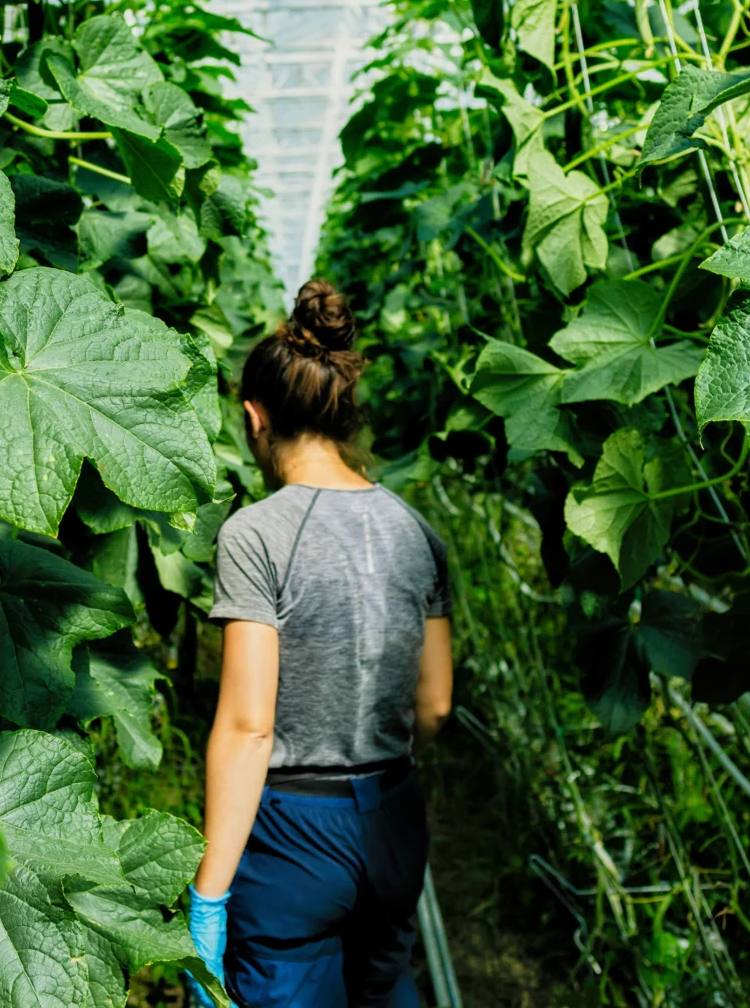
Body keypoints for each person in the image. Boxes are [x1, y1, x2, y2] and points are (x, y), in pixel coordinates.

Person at [187, 280, 454, 1008]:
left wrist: (209, 897)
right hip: (395, 822)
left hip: (295, 839)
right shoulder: (417, 532)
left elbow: (248, 726)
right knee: (384, 986)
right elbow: (434, 703)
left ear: (254, 417)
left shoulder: (256, 534)